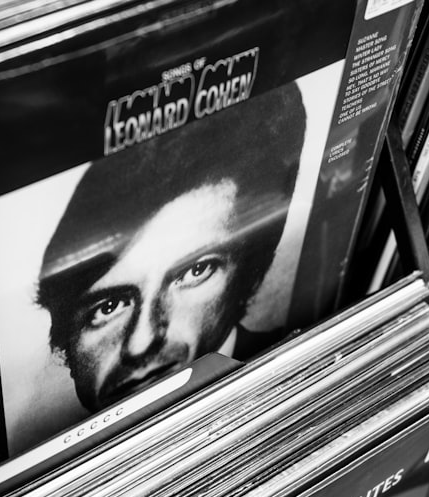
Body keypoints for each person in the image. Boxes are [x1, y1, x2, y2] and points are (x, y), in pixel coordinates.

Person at [36, 82, 306, 412]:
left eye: (195, 271)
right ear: (66, 338)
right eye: (108, 307)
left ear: (249, 273)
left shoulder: (299, 364)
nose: (141, 343)